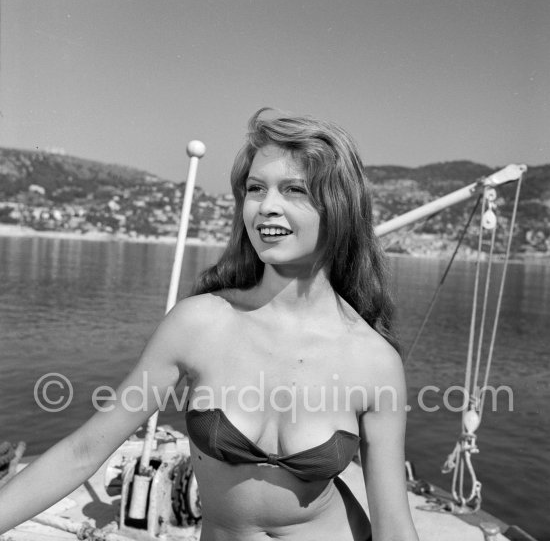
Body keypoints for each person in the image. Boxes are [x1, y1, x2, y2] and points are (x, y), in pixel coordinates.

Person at [0, 108, 419, 541]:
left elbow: (393, 525)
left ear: (339, 206)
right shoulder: (199, 323)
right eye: (256, 189)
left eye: (294, 189)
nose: (266, 207)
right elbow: (83, 452)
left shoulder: (374, 361)